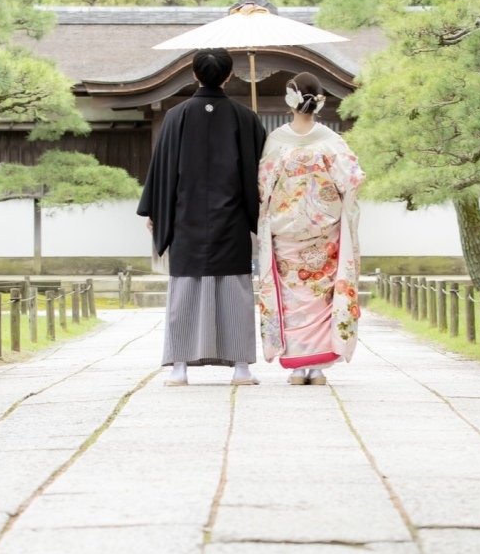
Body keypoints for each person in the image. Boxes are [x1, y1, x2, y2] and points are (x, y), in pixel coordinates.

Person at [137, 47, 266, 386]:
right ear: (228, 75)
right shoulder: (245, 117)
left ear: (194, 74)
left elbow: (163, 170)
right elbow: (260, 175)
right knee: (236, 292)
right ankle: (241, 368)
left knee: (185, 292)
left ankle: (179, 368)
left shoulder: (176, 116)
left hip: (185, 221)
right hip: (233, 221)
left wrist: (156, 211)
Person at [257, 72, 365, 385]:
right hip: (324, 231)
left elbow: (263, 188)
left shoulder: (276, 140)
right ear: (319, 102)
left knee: (292, 297)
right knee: (321, 295)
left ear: (289, 101)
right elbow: (353, 179)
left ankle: (297, 367)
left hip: (286, 231)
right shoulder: (332, 141)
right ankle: (318, 369)